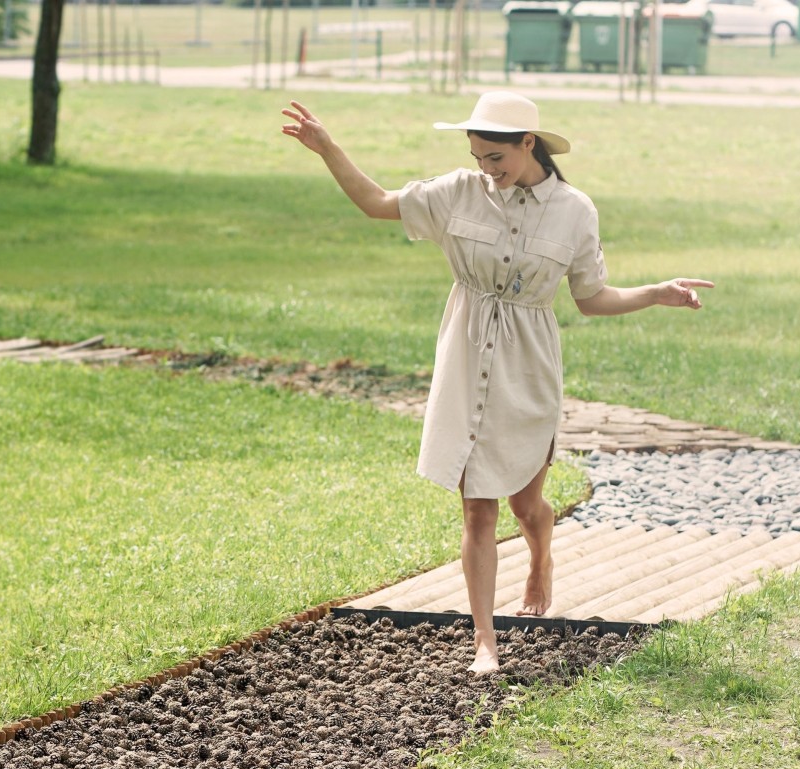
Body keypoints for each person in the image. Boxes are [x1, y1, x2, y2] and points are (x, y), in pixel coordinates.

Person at [281, 92, 713, 674]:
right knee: (477, 508)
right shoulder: (456, 192)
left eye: (497, 157)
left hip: (528, 365)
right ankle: (485, 639)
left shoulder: (575, 210)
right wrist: (327, 148)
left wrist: (655, 293)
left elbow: (591, 298)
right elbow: (376, 202)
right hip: (465, 356)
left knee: (525, 502)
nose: (487, 168)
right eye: (478, 156)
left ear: (528, 144)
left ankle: (541, 553)